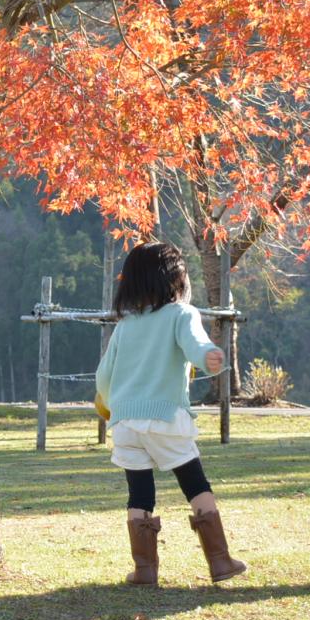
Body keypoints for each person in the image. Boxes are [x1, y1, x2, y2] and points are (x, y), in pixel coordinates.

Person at [94, 242, 248, 587]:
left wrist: (108, 401)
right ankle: (220, 561)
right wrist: (208, 355)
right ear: (176, 278)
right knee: (195, 484)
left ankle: (145, 569)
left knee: (139, 493)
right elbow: (195, 344)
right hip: (165, 417)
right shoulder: (182, 313)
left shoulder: (126, 325)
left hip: (124, 423)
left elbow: (103, 375)